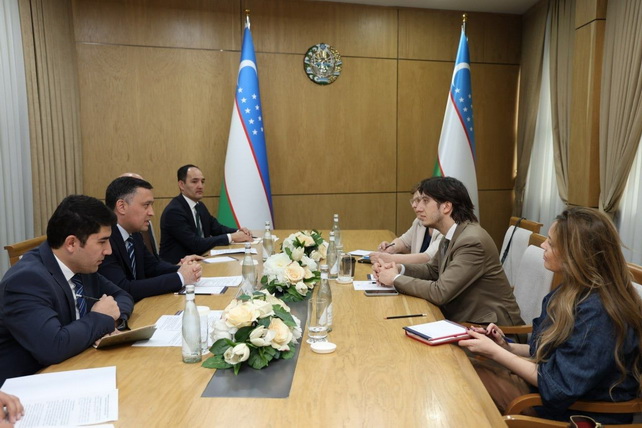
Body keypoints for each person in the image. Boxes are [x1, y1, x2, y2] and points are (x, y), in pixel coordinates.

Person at [459, 207, 642, 424]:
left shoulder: (598, 312)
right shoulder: (571, 291)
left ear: (575, 255)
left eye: (551, 243)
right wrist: (505, 346)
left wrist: (496, 353)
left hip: (579, 412)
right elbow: (548, 350)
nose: (543, 245)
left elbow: (558, 386)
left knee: (463, 378)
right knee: (461, 365)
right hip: (548, 391)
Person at [0, 195, 134, 384]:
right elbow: (53, 347)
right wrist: (101, 318)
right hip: (29, 384)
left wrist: (112, 319)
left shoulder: (81, 265)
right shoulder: (26, 280)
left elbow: (122, 295)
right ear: (71, 243)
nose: (108, 250)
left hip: (77, 364)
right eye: (102, 242)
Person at [374, 177, 523, 326]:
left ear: (446, 207)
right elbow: (432, 270)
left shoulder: (472, 241)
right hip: (463, 320)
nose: (418, 208)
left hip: (490, 328)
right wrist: (399, 268)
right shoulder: (454, 233)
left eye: (425, 201)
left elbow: (440, 292)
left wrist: (395, 279)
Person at [99, 177, 203, 302]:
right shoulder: (104, 240)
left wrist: (185, 269)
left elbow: (153, 267)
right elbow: (123, 288)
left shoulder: (134, 234)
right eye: (146, 205)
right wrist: (180, 277)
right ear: (122, 206)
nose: (151, 212)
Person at [159, 164, 252, 264]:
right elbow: (195, 244)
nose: (200, 186)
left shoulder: (199, 206)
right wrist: (232, 237)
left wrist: (239, 231)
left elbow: (217, 228)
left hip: (200, 261)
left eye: (202, 182)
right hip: (178, 267)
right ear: (181, 185)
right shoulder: (174, 211)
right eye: (194, 181)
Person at [369, 184, 443, 265]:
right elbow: (404, 242)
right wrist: (392, 247)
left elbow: (428, 258)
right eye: (413, 201)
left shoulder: (445, 229)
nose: (414, 205)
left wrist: (390, 259)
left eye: (419, 200)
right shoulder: (419, 221)